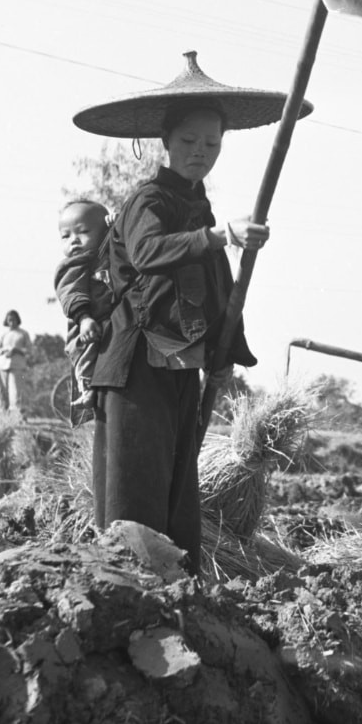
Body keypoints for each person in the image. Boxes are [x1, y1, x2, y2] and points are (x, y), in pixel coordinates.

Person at [72, 50, 311, 570]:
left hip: (180, 366)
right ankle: (126, 593)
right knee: (135, 494)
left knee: (177, 493)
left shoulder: (198, 207)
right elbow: (148, 254)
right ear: (165, 143)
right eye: (188, 141)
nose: (200, 152)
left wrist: (223, 356)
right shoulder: (149, 202)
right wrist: (220, 235)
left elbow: (217, 285)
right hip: (135, 367)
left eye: (211, 143)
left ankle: (180, 595)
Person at [54, 198, 114, 415]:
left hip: (107, 321)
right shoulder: (72, 265)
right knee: (87, 351)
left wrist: (116, 227)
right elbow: (70, 292)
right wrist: (83, 318)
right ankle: (86, 388)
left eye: (83, 232)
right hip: (86, 323)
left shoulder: (104, 256)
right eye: (66, 236)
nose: (74, 241)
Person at [0, 309, 31, 414]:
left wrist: (17, 350)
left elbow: (29, 349)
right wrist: (4, 350)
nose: (12, 322)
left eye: (14, 319)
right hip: (2, 364)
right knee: (1, 392)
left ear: (17, 320)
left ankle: (18, 414)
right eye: (9, 320)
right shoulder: (4, 334)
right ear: (6, 321)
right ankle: (2, 414)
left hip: (17, 364)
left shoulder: (23, 334)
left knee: (16, 391)